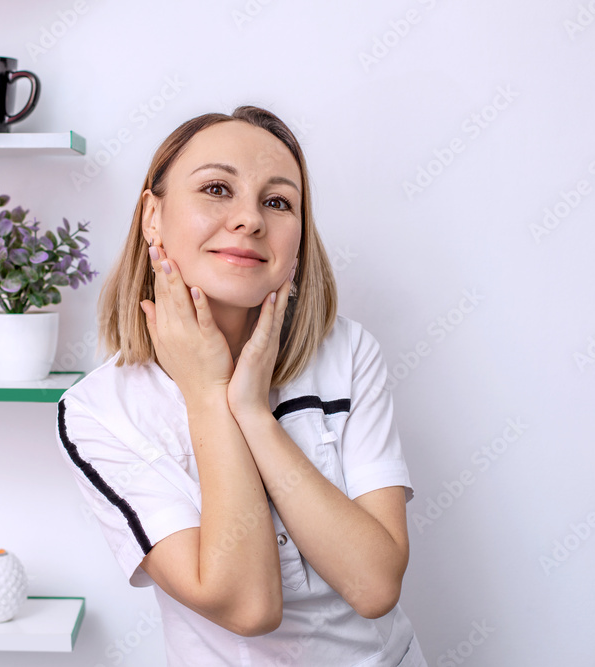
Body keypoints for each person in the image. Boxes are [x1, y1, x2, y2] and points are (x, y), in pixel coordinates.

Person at [54, 105, 428, 666]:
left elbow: (374, 587)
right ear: (152, 217)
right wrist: (209, 395)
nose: (249, 219)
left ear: (298, 240)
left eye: (277, 201)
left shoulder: (348, 353)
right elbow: (250, 607)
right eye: (216, 188)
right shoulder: (97, 411)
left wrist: (252, 411)